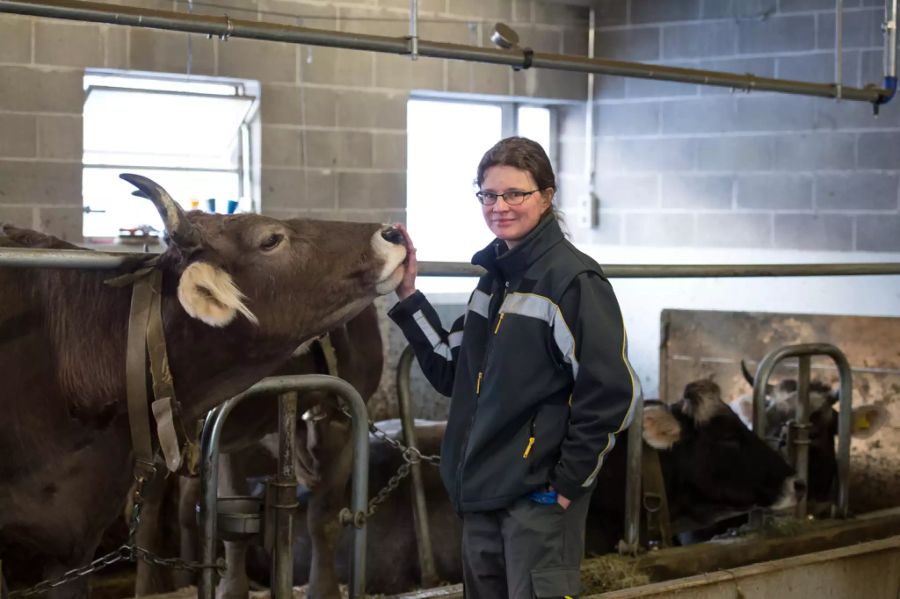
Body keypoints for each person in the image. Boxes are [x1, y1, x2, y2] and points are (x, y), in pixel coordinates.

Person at [389, 136, 636, 598]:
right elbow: (448, 368)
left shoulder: (573, 281)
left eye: (515, 194)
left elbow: (609, 392)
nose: (500, 206)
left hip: (536, 499)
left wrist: (566, 485)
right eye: (489, 194)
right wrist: (408, 296)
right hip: (481, 494)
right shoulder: (493, 282)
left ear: (545, 196)